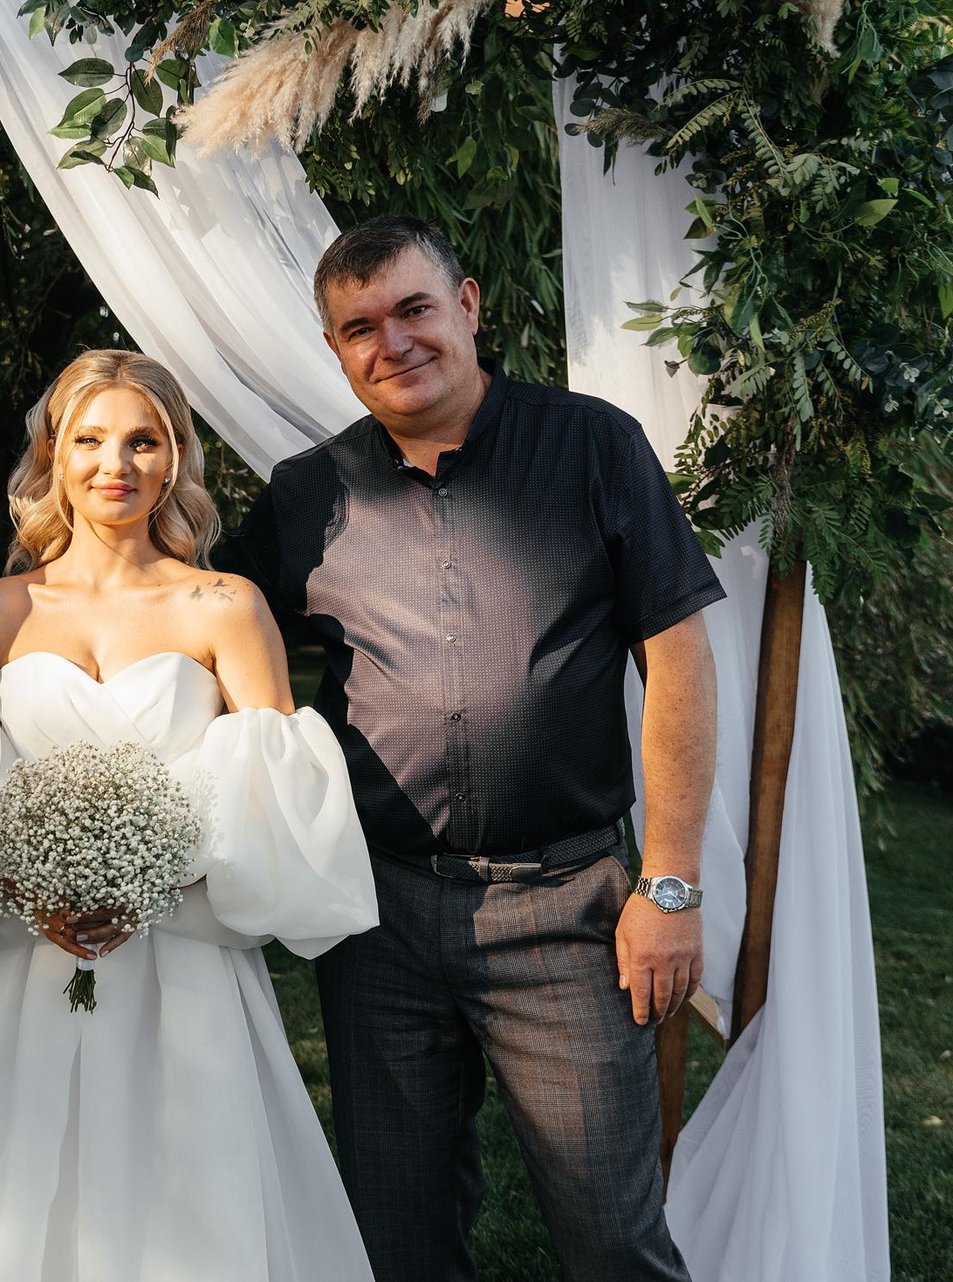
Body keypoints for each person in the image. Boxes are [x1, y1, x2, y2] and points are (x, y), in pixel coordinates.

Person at [218, 216, 722, 1281]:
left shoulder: (594, 446)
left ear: (469, 304)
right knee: (396, 1237)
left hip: (566, 910)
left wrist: (671, 882)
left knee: (612, 1239)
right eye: (360, 328)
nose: (392, 344)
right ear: (335, 349)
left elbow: (679, 659)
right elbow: (202, 624)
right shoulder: (308, 494)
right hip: (378, 915)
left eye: (413, 309)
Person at [0, 349, 379, 1282]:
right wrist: (36, 891)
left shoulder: (226, 606)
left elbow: (276, 799)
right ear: (53, 455)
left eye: (143, 441)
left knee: (194, 1216)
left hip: (185, 966)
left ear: (176, 457)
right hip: (27, 963)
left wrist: (148, 875)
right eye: (90, 440)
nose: (117, 463)